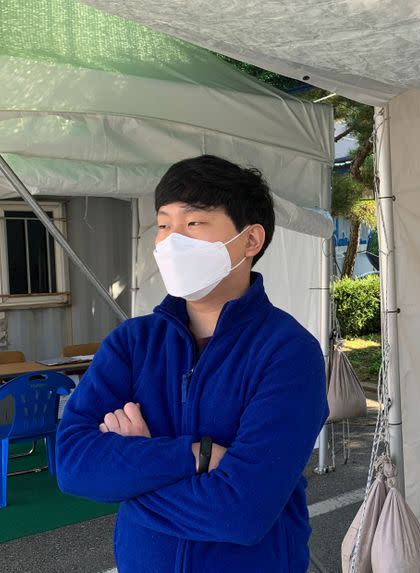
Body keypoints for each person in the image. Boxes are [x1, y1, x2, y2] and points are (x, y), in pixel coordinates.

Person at [56, 155, 328, 573]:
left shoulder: (288, 353)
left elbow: (241, 512)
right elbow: (73, 464)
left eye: (193, 224)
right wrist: (195, 456)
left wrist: (130, 473)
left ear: (250, 240)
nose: (170, 241)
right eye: (163, 225)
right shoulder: (133, 343)